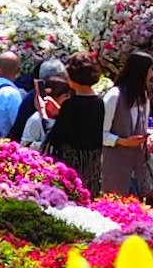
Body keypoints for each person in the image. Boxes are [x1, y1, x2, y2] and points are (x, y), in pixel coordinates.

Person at [99, 50, 153, 204]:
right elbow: (101, 133)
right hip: (115, 166)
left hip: (137, 167)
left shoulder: (143, 97)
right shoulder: (114, 96)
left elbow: (142, 127)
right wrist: (122, 141)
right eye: (149, 70)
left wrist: (151, 135)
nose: (152, 75)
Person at [43, 54, 109, 189]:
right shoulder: (100, 102)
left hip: (73, 161)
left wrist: (47, 115)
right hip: (94, 160)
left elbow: (56, 136)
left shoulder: (70, 105)